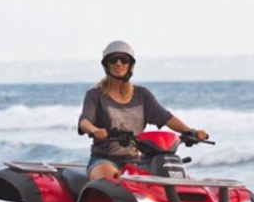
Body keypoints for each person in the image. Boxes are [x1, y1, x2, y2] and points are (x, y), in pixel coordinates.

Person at [78, 40, 208, 180]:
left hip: (137, 161)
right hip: (105, 160)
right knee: (111, 182)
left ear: (130, 65)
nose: (119, 64)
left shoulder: (141, 94)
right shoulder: (95, 95)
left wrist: (190, 131)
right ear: (106, 65)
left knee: (180, 181)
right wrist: (94, 130)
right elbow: (84, 121)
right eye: (113, 60)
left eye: (124, 60)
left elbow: (166, 117)